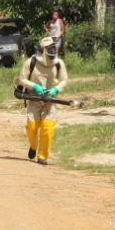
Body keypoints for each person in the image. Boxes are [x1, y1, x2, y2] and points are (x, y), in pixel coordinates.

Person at [15, 36, 68, 164]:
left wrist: (56, 90)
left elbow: (64, 80)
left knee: (47, 128)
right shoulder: (30, 62)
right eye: (49, 48)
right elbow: (21, 79)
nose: (53, 50)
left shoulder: (58, 63)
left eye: (53, 48)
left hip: (50, 100)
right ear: (42, 49)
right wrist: (35, 87)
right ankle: (33, 146)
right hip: (34, 99)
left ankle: (42, 156)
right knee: (32, 127)